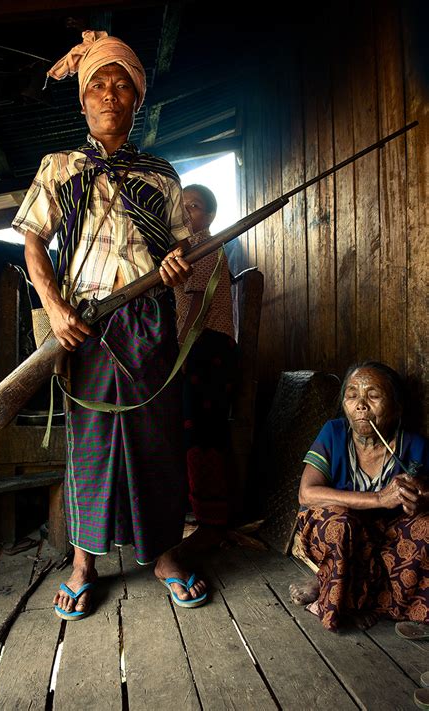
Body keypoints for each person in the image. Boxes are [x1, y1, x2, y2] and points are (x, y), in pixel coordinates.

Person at [12, 30, 207, 619]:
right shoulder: (59, 167)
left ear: (136, 100)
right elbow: (33, 243)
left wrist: (176, 265)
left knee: (158, 441)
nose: (110, 93)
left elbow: (180, 249)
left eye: (122, 84)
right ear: (83, 100)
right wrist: (58, 308)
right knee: (92, 444)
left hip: (149, 322)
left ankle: (166, 554)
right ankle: (84, 563)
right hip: (85, 322)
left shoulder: (161, 174)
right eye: (98, 83)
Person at [289, 361, 429, 632]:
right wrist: (379, 499)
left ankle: (338, 588)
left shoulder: (415, 445)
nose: (361, 405)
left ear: (397, 408)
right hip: (343, 535)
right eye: (352, 395)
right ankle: (344, 602)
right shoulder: (334, 433)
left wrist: (421, 495)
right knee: (340, 524)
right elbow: (306, 493)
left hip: (387, 540)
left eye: (373, 396)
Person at [172, 185, 238, 559]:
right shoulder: (179, 250)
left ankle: (211, 521)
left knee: (202, 431)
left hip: (205, 346)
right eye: (181, 206)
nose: (186, 212)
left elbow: (196, 307)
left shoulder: (206, 247)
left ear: (209, 216)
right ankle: (198, 514)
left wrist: (177, 352)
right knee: (191, 429)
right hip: (195, 347)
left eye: (194, 206)